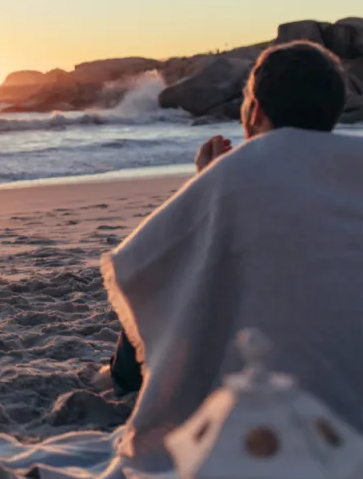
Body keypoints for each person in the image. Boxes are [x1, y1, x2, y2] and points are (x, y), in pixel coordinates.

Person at [104, 40, 348, 395]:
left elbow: (146, 262)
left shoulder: (236, 173)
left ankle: (119, 378)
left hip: (264, 366)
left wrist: (206, 183)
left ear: (256, 111)